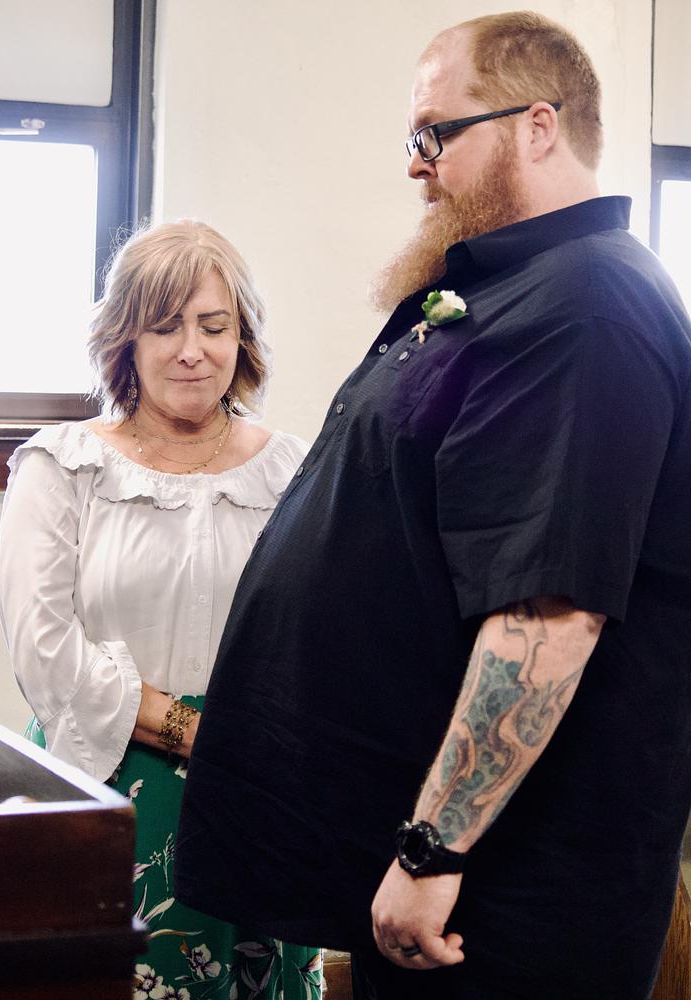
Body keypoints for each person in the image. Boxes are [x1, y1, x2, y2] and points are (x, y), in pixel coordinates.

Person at [174, 12, 691, 1000]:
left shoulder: (587, 308)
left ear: (535, 125)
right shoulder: (516, 288)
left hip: (507, 897)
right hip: (439, 862)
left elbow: (548, 613)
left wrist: (432, 847)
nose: (416, 163)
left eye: (434, 133)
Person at [0, 220, 322, 1000]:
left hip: (257, 788)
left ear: (242, 339)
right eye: (166, 326)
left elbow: (318, 636)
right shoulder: (62, 466)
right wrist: (198, 733)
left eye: (214, 326)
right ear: (126, 339)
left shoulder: (291, 469)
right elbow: (43, 650)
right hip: (105, 781)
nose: (191, 350)